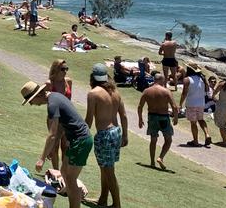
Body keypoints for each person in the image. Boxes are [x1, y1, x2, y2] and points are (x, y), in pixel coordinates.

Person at [22, 81, 93, 208]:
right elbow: (60, 128)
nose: (32, 104)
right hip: (76, 140)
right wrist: (53, 146)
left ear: (38, 95)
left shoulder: (52, 104)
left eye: (31, 101)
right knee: (64, 172)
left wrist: (41, 158)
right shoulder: (55, 97)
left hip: (80, 141)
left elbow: (52, 133)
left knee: (71, 181)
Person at [84, 64, 128, 208]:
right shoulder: (115, 92)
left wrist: (81, 135)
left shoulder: (93, 94)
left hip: (104, 135)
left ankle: (117, 204)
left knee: (108, 172)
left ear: (93, 77)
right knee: (105, 168)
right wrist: (125, 135)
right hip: (116, 132)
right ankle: (103, 199)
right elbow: (124, 116)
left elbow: (89, 120)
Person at [137, 73, 179, 169]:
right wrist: (175, 118)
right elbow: (174, 107)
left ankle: (152, 162)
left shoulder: (147, 91)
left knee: (153, 140)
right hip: (163, 117)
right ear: (161, 80)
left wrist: (140, 119)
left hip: (152, 117)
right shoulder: (166, 91)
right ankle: (160, 157)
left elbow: (140, 106)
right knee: (168, 140)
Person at [43, 59, 73, 169]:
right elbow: (47, 102)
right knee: (54, 146)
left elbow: (69, 100)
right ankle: (56, 171)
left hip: (67, 118)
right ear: (56, 69)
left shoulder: (68, 82)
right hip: (54, 118)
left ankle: (63, 172)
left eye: (66, 69)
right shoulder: (49, 83)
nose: (65, 71)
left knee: (65, 146)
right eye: (62, 69)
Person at [179, 63, 212, 147]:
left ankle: (195, 141)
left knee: (193, 123)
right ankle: (207, 134)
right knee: (201, 119)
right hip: (201, 103)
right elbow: (207, 91)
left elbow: (184, 93)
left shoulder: (187, 79)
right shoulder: (202, 79)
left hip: (191, 103)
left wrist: (180, 104)